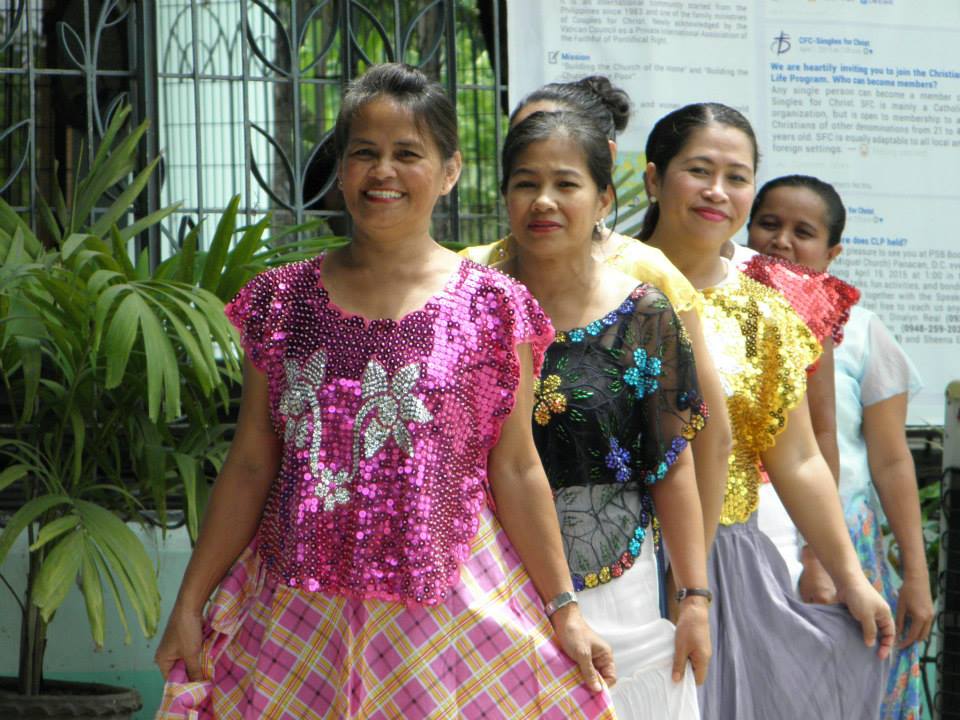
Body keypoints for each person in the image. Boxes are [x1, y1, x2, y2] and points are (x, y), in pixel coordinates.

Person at [153, 63, 617, 719]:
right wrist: (190, 601)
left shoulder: (494, 307)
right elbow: (254, 460)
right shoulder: (281, 301)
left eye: (408, 154)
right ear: (341, 169)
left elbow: (516, 468)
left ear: (450, 171)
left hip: (445, 614)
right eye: (364, 153)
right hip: (293, 611)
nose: (383, 173)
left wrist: (564, 609)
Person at [640, 102, 895, 720]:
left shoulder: (768, 313)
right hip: (607, 555)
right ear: (654, 178)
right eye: (699, 170)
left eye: (737, 177)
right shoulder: (595, 282)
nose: (717, 192)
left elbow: (800, 456)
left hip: (727, 563)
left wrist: (851, 576)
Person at [498, 108, 711, 719]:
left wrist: (694, 598)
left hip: (619, 588)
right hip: (496, 580)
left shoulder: (644, 315)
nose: (543, 201)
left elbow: (671, 465)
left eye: (565, 184)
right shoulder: (470, 306)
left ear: (603, 200)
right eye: (525, 183)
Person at [464, 77, 731, 559]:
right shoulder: (469, 279)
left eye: (564, 177)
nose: (544, 196)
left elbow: (696, 441)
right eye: (526, 167)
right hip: (486, 562)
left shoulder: (646, 281)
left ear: (600, 183)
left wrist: (689, 578)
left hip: (609, 556)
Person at [748, 174, 933, 720]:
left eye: (802, 231)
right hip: (749, 540)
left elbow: (892, 460)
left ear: (832, 253)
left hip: (844, 546)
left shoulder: (862, 333)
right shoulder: (707, 313)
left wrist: (916, 580)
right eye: (769, 223)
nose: (781, 240)